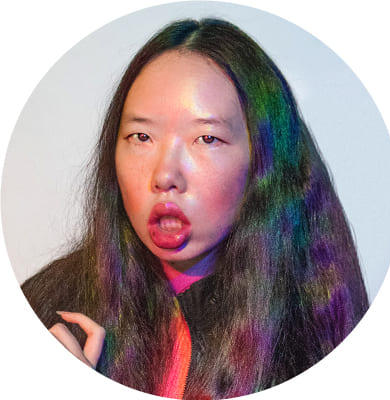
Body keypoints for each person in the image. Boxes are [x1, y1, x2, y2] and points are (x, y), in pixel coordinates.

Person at [21, 18, 369, 399]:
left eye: (207, 138)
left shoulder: (317, 328)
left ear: (264, 160)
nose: (165, 175)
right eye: (141, 136)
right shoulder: (45, 310)